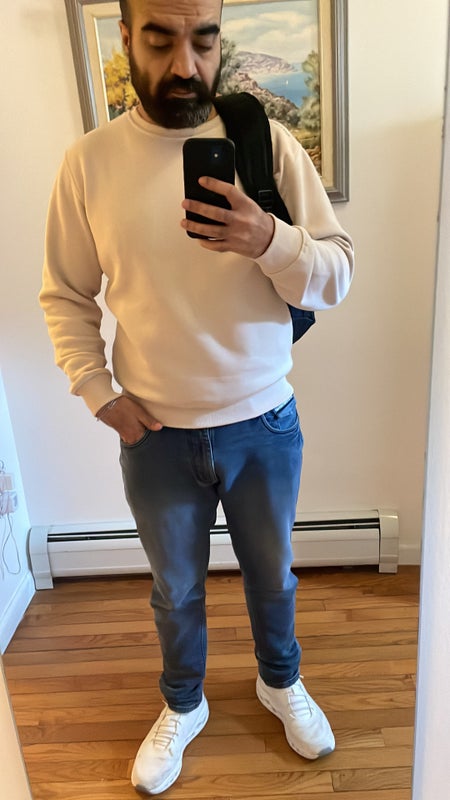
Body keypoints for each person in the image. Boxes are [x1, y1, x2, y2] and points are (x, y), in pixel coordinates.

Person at [40, 0, 354, 794]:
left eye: (203, 39)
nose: (185, 64)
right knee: (174, 590)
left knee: (273, 577)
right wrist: (97, 392)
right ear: (127, 38)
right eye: (161, 39)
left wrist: (269, 239)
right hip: (155, 435)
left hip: (264, 423)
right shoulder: (89, 163)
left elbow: (338, 274)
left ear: (219, 39)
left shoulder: (265, 144)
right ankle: (184, 702)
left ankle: (280, 682)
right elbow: (66, 294)